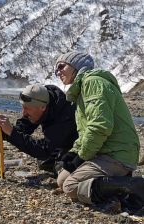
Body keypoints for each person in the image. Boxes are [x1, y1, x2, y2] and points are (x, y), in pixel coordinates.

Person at [55, 51, 144, 211]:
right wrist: (74, 152)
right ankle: (116, 181)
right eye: (56, 69)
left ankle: (131, 188)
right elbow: (86, 131)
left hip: (117, 153)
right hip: (104, 151)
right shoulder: (81, 89)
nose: (58, 72)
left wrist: (81, 158)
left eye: (61, 66)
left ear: (76, 65)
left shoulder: (93, 83)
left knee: (70, 186)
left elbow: (99, 126)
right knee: (62, 179)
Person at [0, 83, 78, 176]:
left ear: (43, 107)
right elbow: (23, 127)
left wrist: (11, 132)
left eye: (27, 108)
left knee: (57, 164)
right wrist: (1, 128)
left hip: (80, 148)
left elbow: (44, 149)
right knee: (45, 162)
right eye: (22, 107)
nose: (23, 113)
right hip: (58, 144)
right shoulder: (42, 99)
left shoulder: (64, 115)